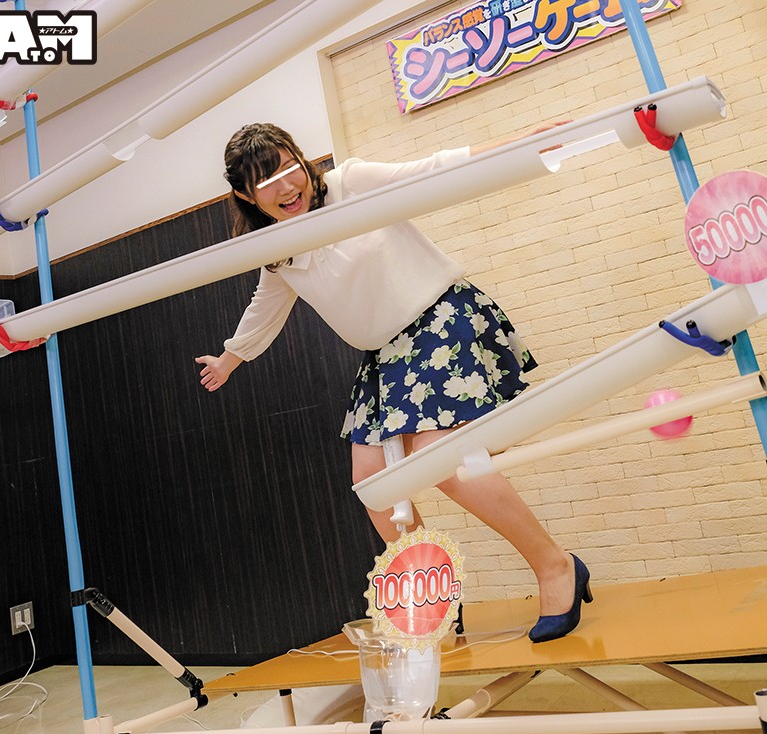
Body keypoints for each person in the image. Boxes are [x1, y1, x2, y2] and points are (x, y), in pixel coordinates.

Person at [195, 122, 592, 642]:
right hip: (385, 356)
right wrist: (230, 359)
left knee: (440, 457)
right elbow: (264, 310)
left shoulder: (351, 183)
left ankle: (556, 566)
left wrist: (521, 142)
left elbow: (433, 169)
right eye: (266, 181)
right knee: (372, 483)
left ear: (303, 159)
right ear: (247, 196)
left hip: (437, 318)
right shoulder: (279, 254)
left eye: (290, 167)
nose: (287, 186)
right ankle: (436, 599)